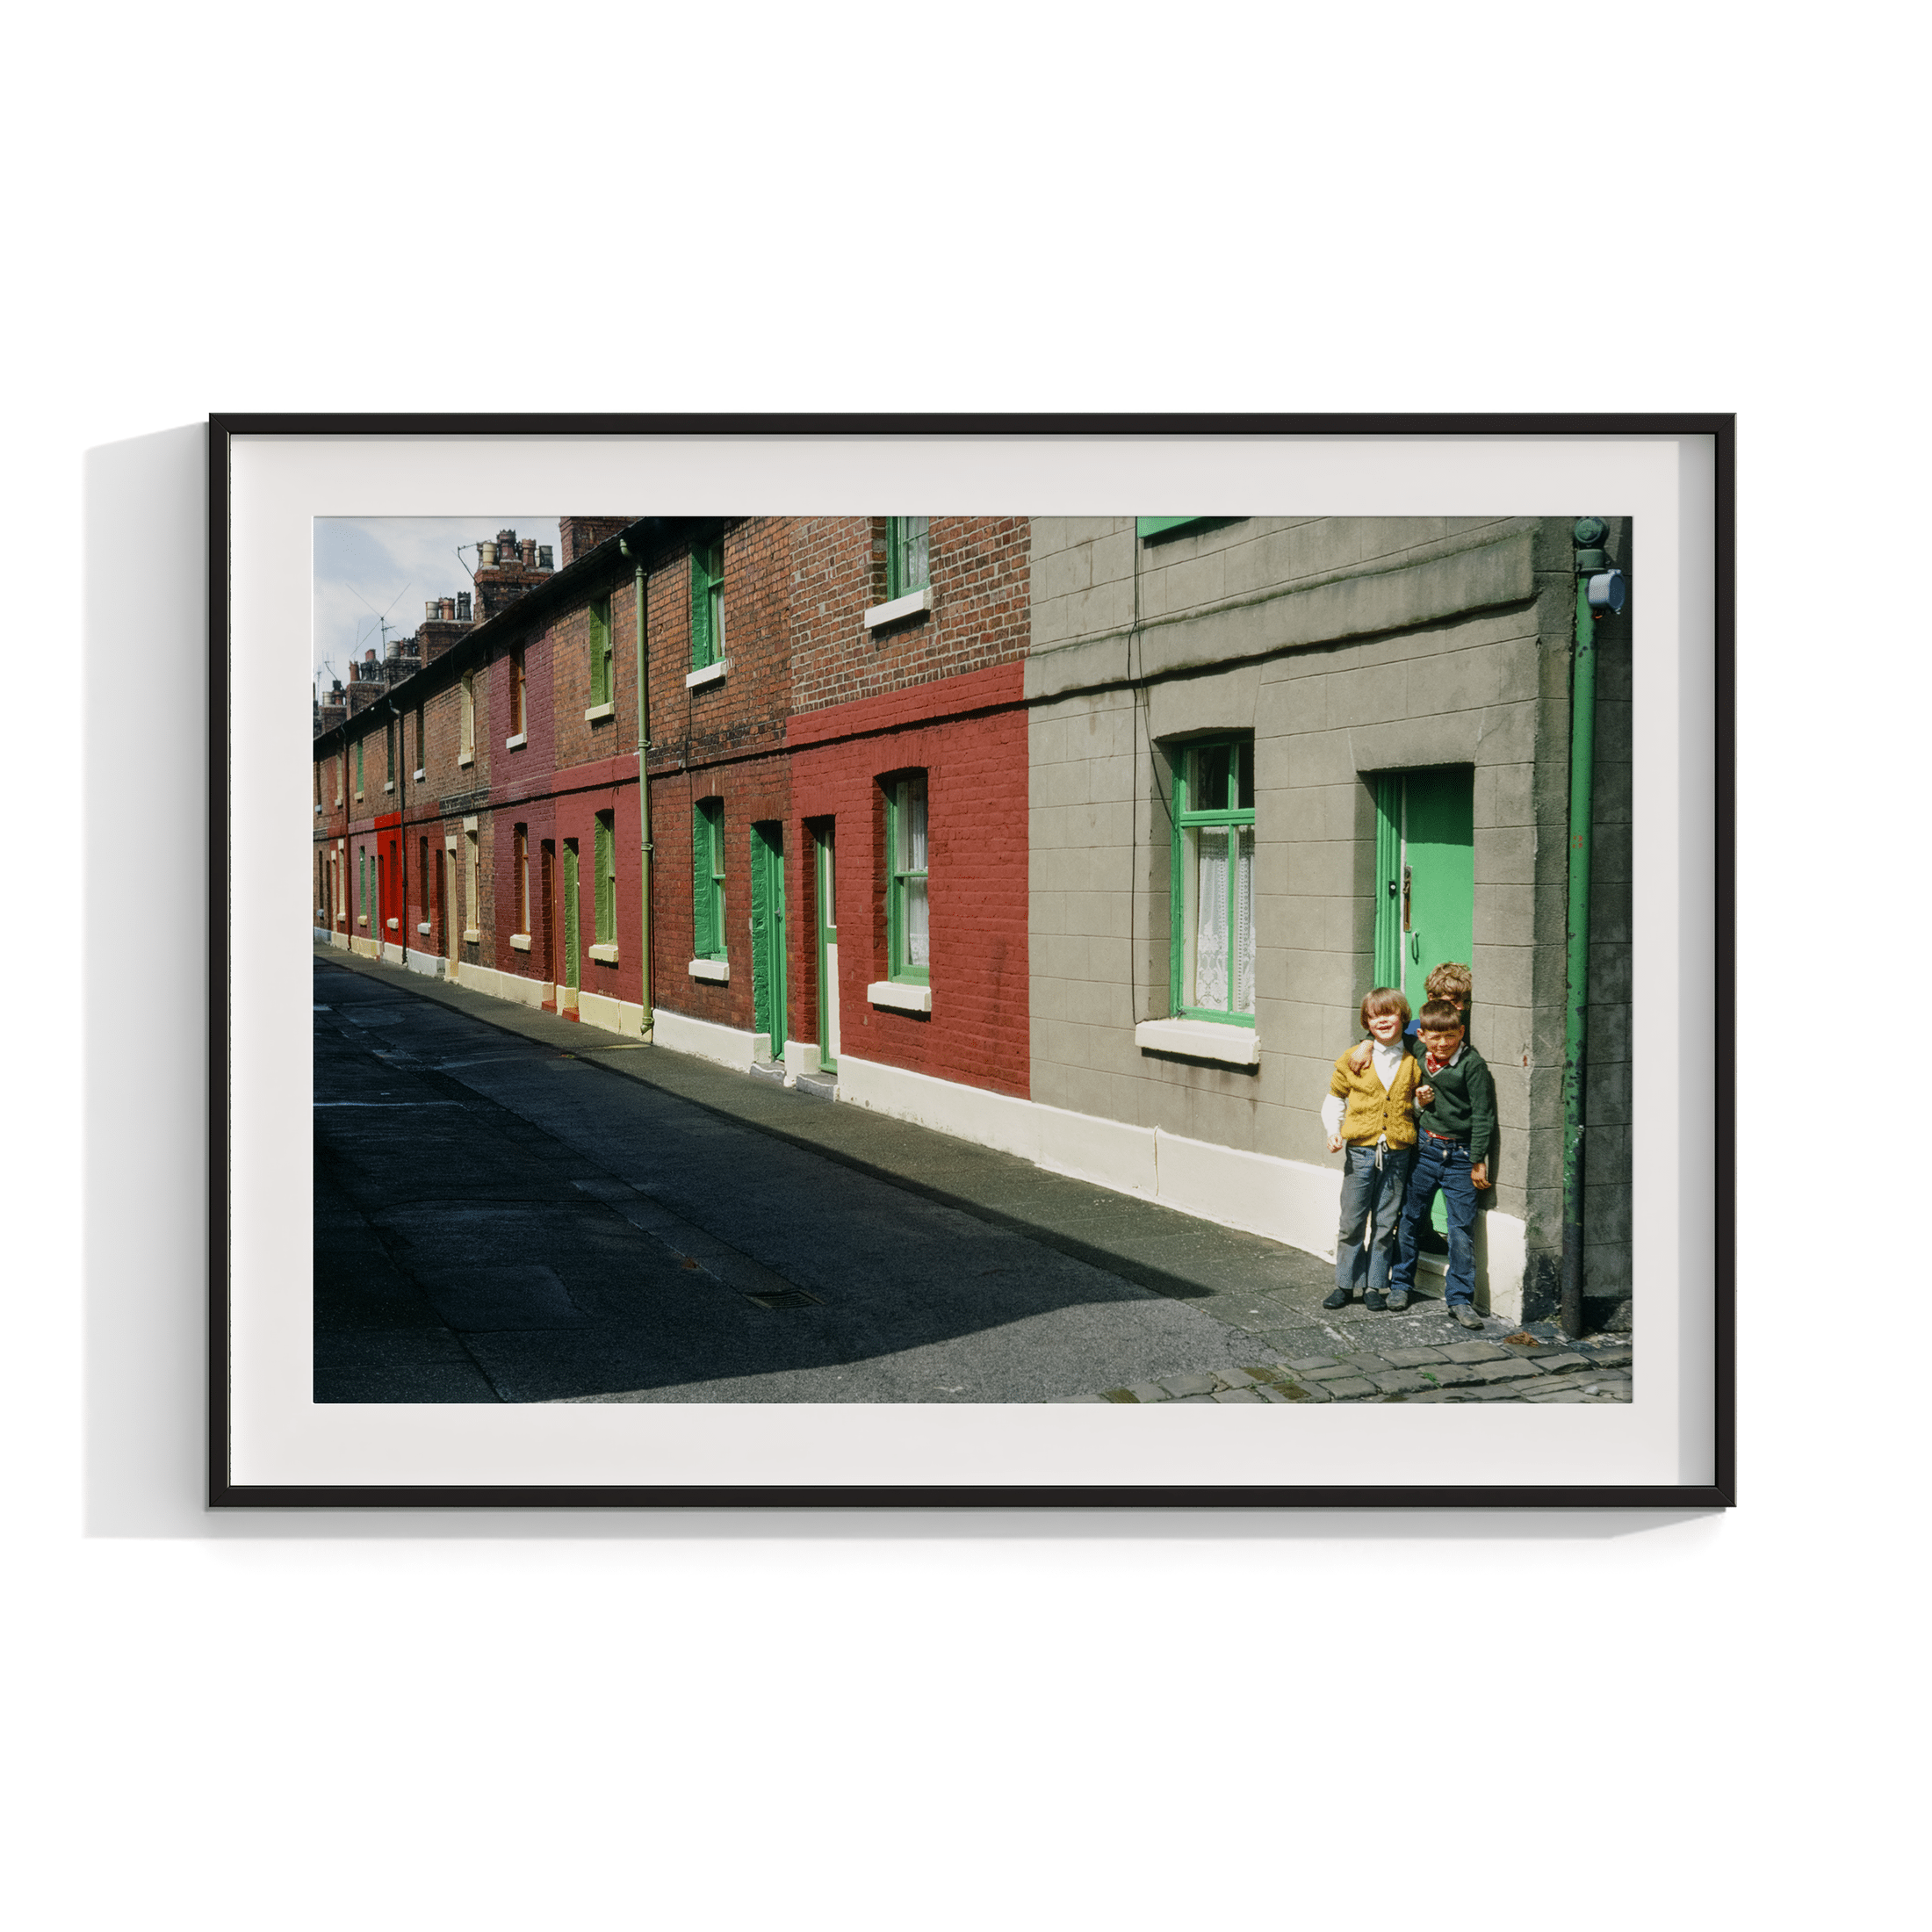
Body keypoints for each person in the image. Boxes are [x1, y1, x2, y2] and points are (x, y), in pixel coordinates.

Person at [1388, 998, 1496, 1327]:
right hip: (1425, 1150)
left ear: (1461, 1032)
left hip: (1461, 1156)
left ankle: (1460, 1299)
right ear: (1422, 1036)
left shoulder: (1472, 1065)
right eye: (1435, 1037)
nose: (1443, 1043)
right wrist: (1365, 1045)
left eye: (1450, 1036)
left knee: (1460, 1229)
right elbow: (1389, 1031)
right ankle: (1400, 1285)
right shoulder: (1421, 1051)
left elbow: (1483, 1116)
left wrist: (1478, 1160)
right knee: (1409, 1218)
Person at [1319, 989, 1422, 1312]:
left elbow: (1413, 1106)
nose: (1382, 1021)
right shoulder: (1354, 1058)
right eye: (1375, 1017)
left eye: (1389, 1014)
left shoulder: (1413, 1060)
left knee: (1385, 1223)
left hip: (1397, 1154)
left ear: (1403, 1017)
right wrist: (1333, 1131)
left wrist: (1422, 1101)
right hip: (1361, 1153)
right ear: (1366, 1023)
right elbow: (1335, 1099)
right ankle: (1345, 1284)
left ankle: (1375, 1285)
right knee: (1352, 1221)